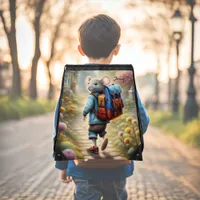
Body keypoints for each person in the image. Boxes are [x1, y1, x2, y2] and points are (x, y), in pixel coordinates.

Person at [53, 14, 150, 200]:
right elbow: (142, 121)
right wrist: (121, 143)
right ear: (117, 49)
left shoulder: (72, 83)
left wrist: (62, 166)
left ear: (80, 50)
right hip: (117, 168)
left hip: (82, 168)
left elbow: (60, 128)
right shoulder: (122, 82)